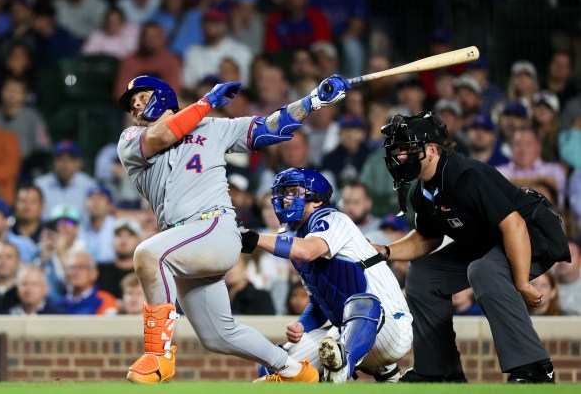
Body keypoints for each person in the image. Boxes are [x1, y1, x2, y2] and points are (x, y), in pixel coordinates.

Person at [116, 72, 350, 383]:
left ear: (163, 97)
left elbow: (272, 128)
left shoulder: (213, 127)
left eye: (142, 98)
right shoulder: (130, 140)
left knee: (148, 254)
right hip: (183, 241)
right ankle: (295, 371)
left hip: (214, 227)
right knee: (218, 335)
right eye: (132, 104)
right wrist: (207, 101)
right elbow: (163, 136)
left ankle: (158, 356)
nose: (136, 106)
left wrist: (314, 100)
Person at [375, 110, 570, 383]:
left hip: (533, 234)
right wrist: (384, 251)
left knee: (483, 270)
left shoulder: (466, 175)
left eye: (407, 150)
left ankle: (535, 367)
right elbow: (426, 238)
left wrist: (523, 284)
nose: (400, 158)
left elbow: (514, 226)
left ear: (431, 150)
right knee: (423, 274)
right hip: (488, 241)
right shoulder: (421, 190)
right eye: (397, 152)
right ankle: (439, 372)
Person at [240, 168, 412, 383]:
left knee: (363, 303)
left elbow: (308, 250)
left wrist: (255, 239)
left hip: (392, 328)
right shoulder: (295, 238)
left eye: (293, 191)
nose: (285, 199)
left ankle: (350, 370)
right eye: (283, 192)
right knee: (275, 366)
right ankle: (381, 372)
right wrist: (303, 325)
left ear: (317, 199)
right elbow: (320, 301)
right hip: (347, 336)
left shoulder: (334, 218)